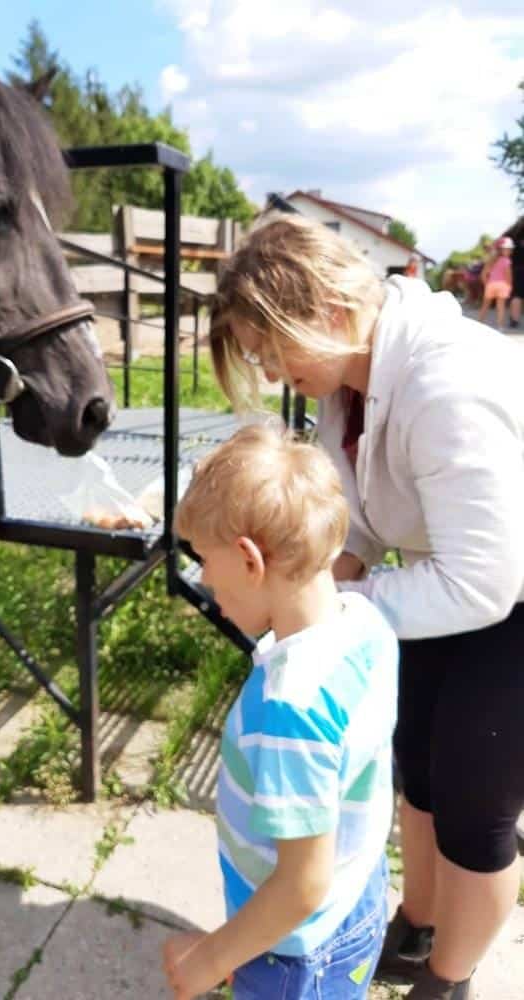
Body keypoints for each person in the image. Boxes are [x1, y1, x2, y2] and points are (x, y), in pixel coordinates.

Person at [207, 211, 524, 1000]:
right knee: (416, 762)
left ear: (333, 312)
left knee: (475, 802)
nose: (274, 372)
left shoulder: (446, 385)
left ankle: (448, 981)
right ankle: (416, 925)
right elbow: (356, 524)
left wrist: (337, 601)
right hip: (446, 574)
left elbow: (483, 581)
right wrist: (302, 602)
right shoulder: (350, 380)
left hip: (507, 593)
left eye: (274, 349)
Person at [163, 425, 399, 1000]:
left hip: (297, 954)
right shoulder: (365, 622)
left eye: (204, 561)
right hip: (360, 894)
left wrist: (207, 959)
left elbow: (300, 885)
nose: (203, 579)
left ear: (249, 559)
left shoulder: (291, 705)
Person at [478, 235, 513, 330]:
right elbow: (508, 275)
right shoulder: (507, 261)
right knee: (500, 306)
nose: (510, 251)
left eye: (510, 249)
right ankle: (500, 326)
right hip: (503, 285)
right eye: (508, 249)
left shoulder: (491, 260)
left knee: (485, 305)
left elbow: (483, 274)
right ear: (501, 250)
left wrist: (487, 284)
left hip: (491, 285)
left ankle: (479, 323)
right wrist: (510, 285)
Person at [502, 218, 524, 329]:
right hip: (518, 269)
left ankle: (514, 319)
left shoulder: (512, 238)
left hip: (516, 270)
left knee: (516, 295)